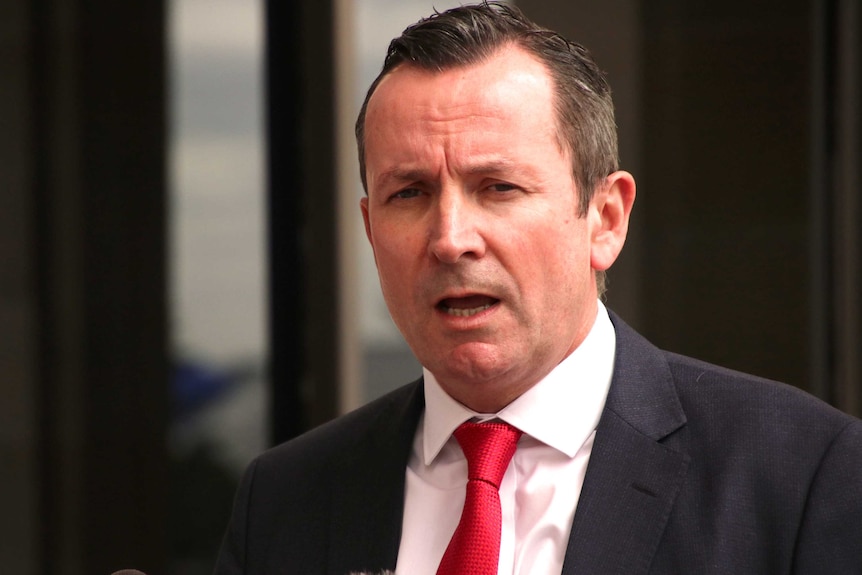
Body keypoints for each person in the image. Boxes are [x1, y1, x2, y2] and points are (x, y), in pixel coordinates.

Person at [214, 3, 862, 574]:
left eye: (498, 187)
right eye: (408, 193)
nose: (450, 238)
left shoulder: (802, 477)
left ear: (605, 219)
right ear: (368, 227)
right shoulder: (286, 499)